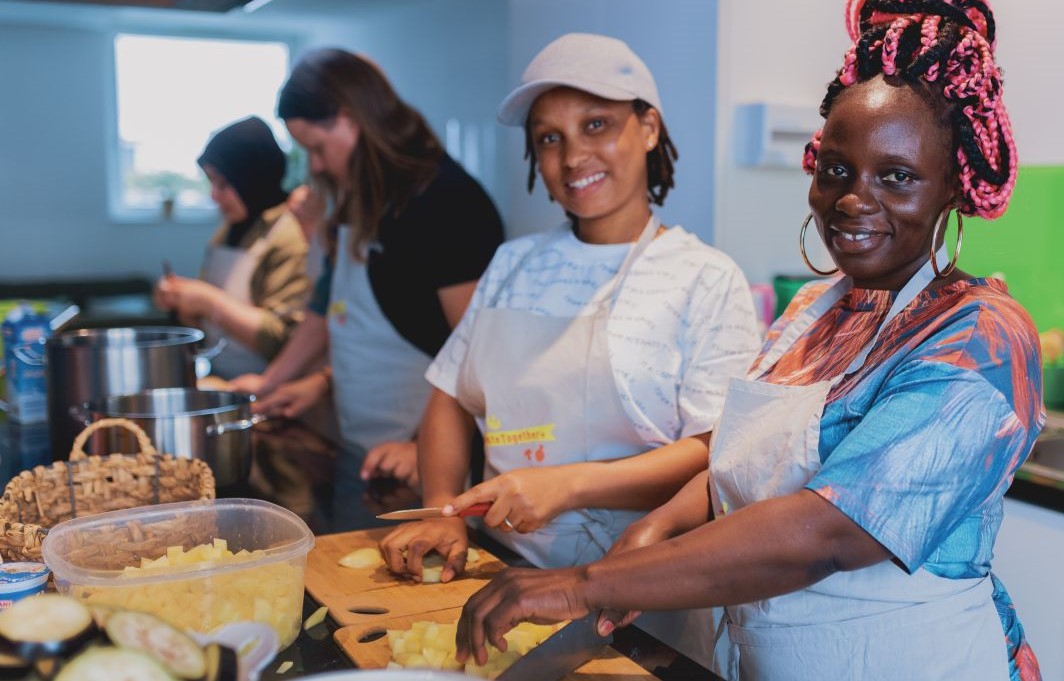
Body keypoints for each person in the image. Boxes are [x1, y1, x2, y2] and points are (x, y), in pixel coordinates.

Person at [453, 3, 1044, 680]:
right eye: (836, 170)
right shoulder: (813, 312)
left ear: (952, 187)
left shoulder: (984, 338)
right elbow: (744, 466)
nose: (853, 198)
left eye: (898, 176)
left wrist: (590, 582)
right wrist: (659, 528)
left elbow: (826, 531)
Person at [380, 33, 761, 665]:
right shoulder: (512, 264)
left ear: (647, 128)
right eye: (549, 138)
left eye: (597, 125)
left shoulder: (704, 277)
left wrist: (570, 485)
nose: (572, 155)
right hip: (500, 573)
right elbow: (450, 394)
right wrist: (448, 512)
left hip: (642, 589)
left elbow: (714, 451)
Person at [230, 49, 504, 506]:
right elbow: (327, 306)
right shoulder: (359, 197)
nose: (315, 165)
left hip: (429, 467)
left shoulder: (445, 201)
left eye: (317, 148)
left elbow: (479, 354)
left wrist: (422, 446)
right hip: (367, 451)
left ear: (351, 117)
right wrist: (275, 382)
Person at [154, 116, 309, 380]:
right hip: (221, 378)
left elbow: (283, 340)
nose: (214, 196)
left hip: (268, 387)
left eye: (223, 184)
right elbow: (203, 326)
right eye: (211, 183)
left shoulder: (289, 234)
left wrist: (208, 300)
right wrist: (180, 300)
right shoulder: (227, 232)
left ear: (250, 177)